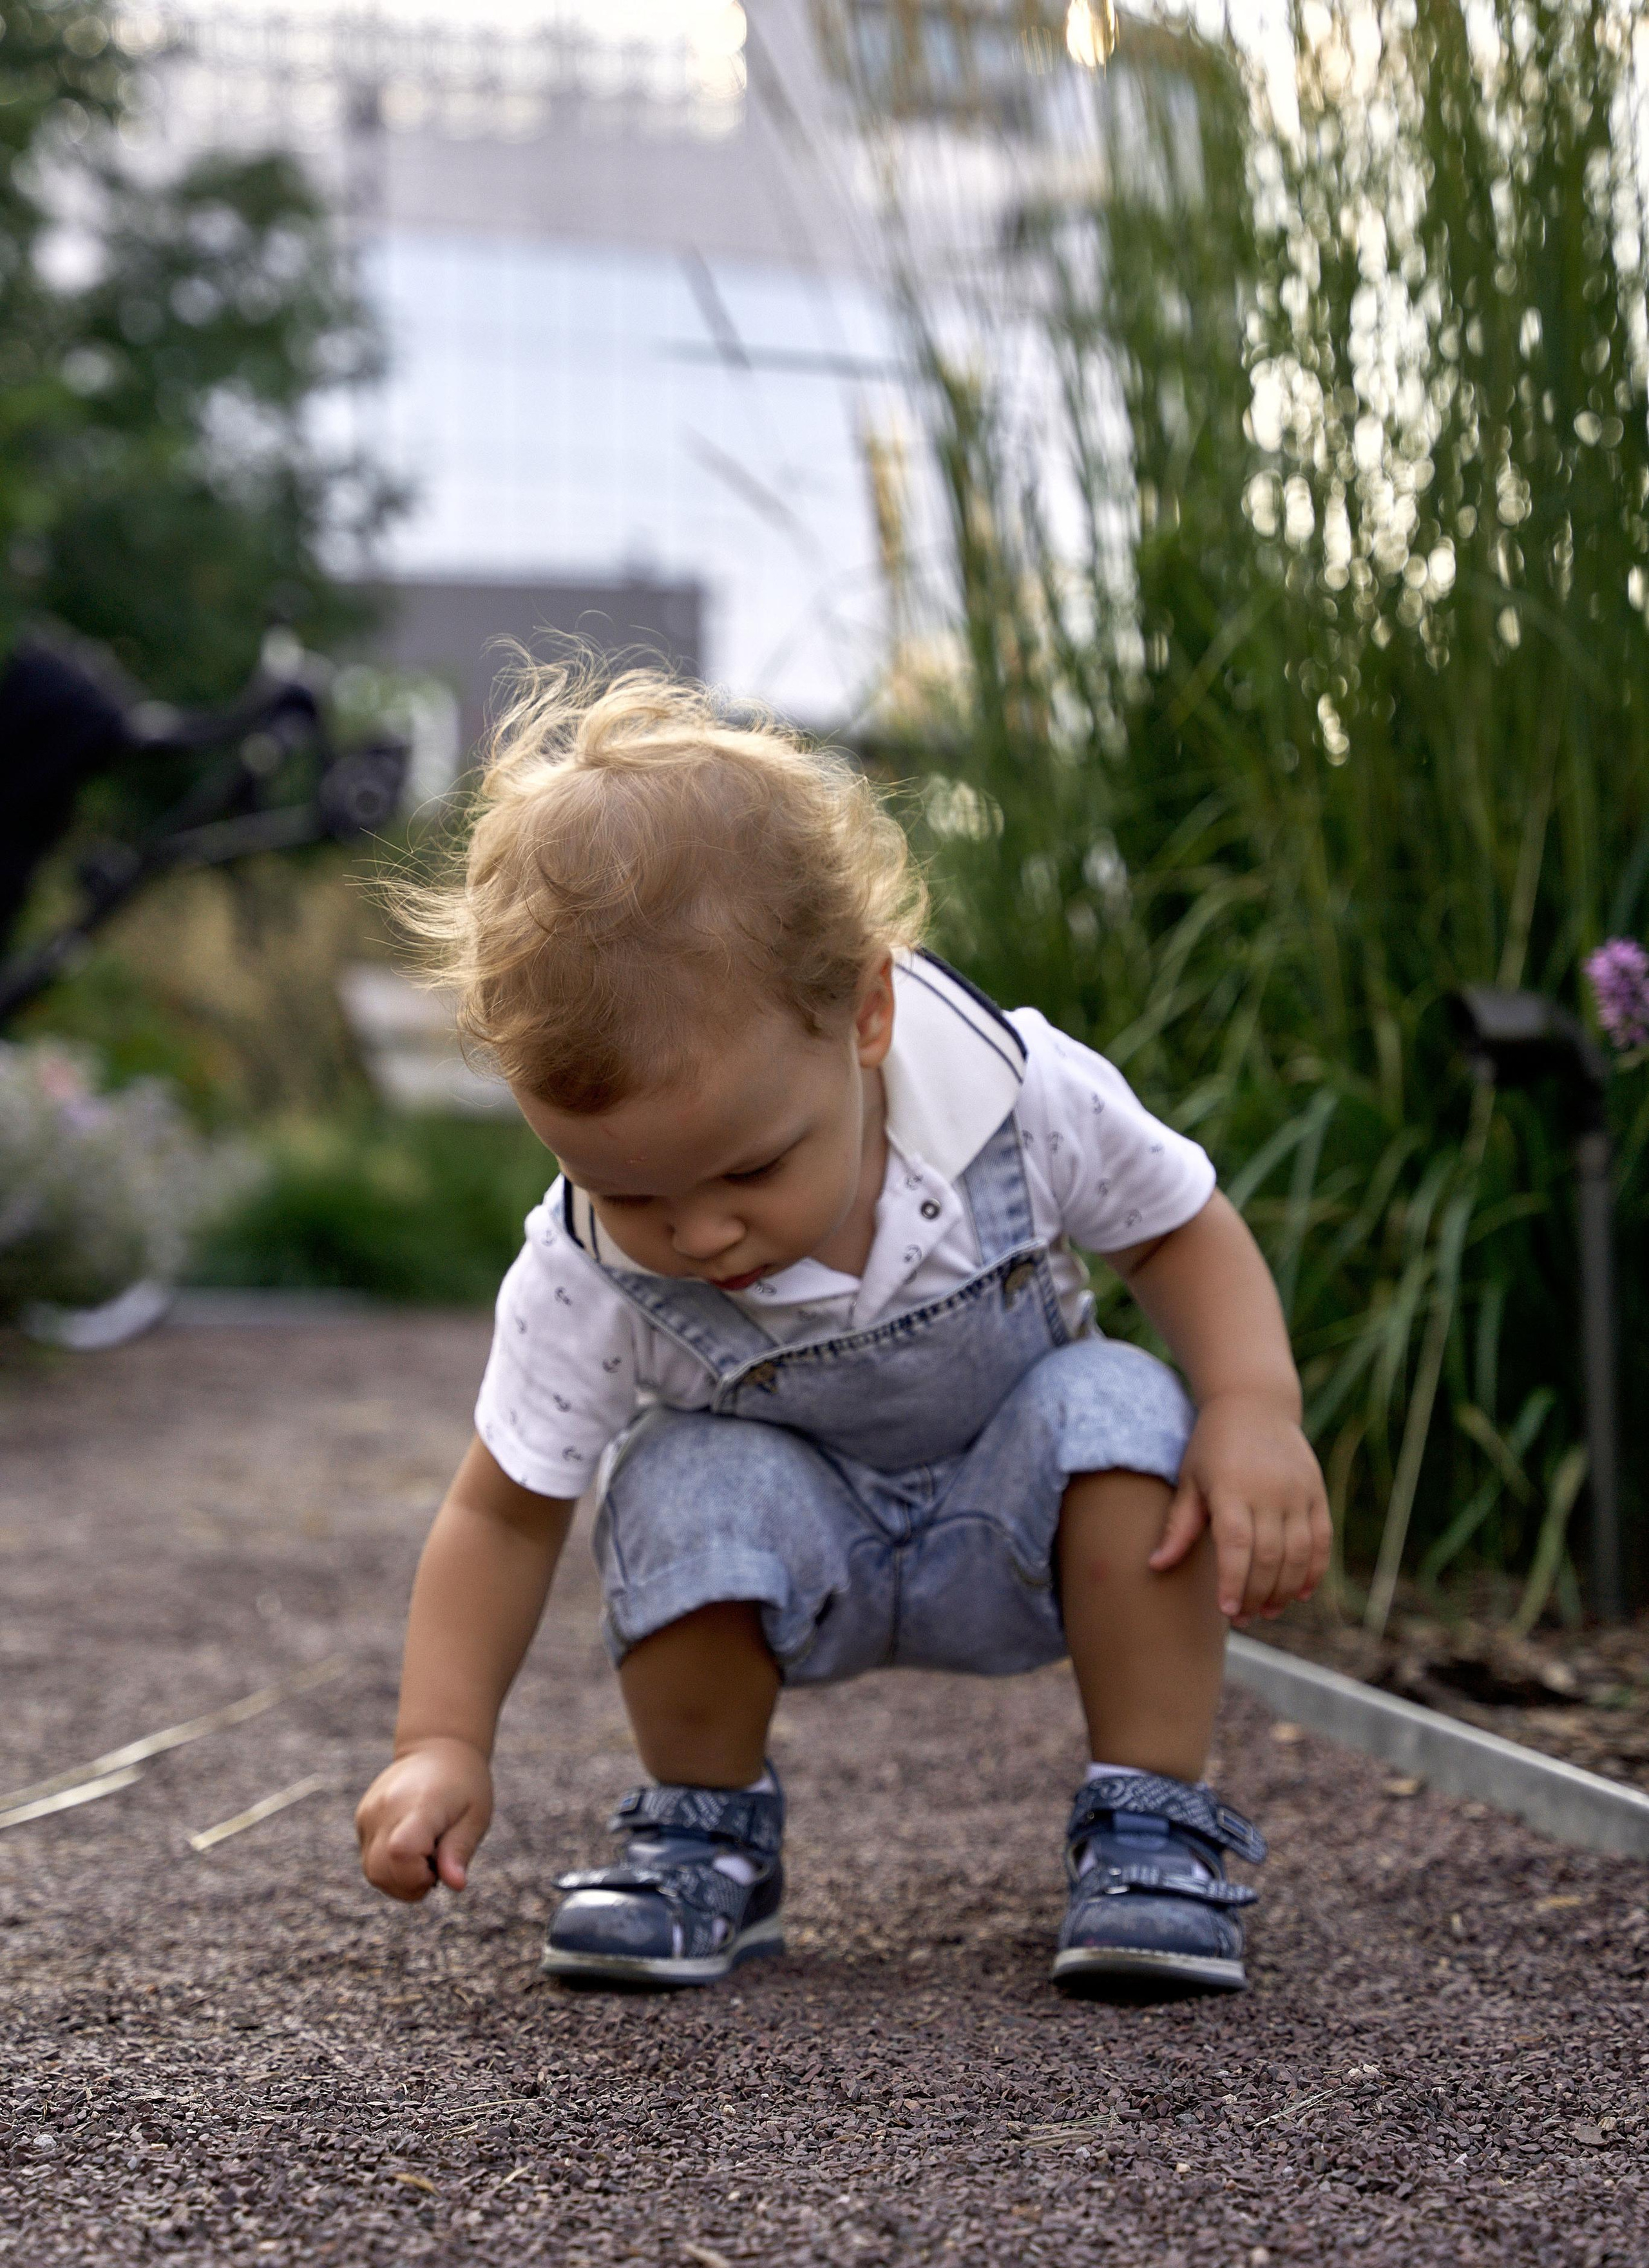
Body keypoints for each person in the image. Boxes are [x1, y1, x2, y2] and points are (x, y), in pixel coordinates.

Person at [355, 671, 1331, 1994]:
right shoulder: (580, 1273)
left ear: (866, 1017)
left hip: (1022, 1521)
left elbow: (1176, 1226)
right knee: (677, 1476)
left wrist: (1252, 1406)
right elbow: (503, 1510)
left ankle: (1148, 1821)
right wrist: (439, 1740)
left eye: (750, 1171)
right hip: (790, 1554)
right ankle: (707, 1833)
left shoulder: (1013, 1093)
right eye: (630, 1193)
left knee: (1119, 1404)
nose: (698, 1237)